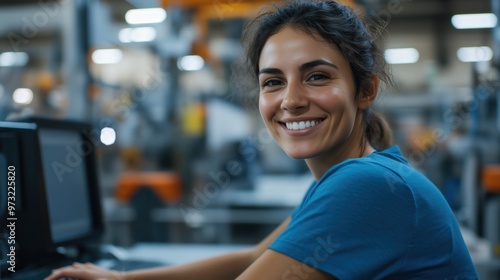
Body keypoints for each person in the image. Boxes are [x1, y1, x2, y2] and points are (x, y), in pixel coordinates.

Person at [46, 0, 478, 279]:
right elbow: (254, 257)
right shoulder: (353, 177)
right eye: (273, 82)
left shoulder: (367, 185)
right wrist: (122, 279)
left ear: (365, 89)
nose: (290, 100)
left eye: (317, 76)